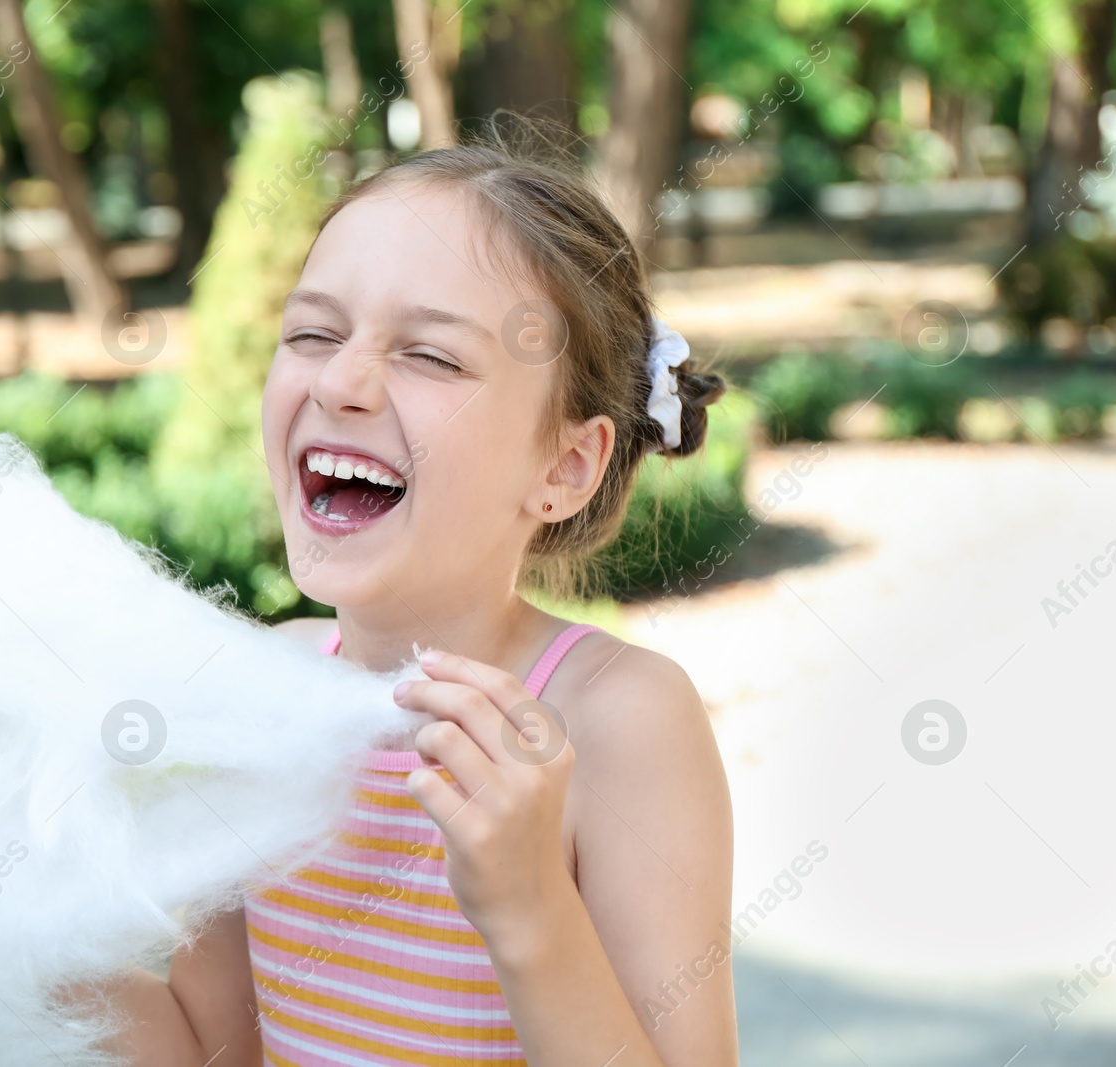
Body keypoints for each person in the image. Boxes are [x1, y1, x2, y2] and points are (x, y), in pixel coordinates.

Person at [88, 126, 737, 1067]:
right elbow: (210, 1047)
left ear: (564, 465)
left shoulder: (618, 721)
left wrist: (529, 912)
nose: (343, 380)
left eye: (431, 356)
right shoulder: (270, 681)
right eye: (313, 333)